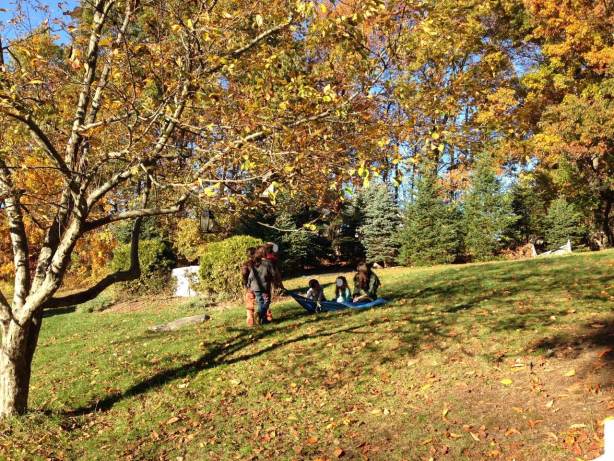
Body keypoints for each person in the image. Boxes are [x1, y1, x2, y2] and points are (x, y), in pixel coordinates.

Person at [247, 247, 275, 324]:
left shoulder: (255, 265)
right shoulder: (268, 263)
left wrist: (248, 285)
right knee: (266, 302)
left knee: (260, 302)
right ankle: (259, 313)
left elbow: (250, 276)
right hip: (265, 287)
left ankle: (263, 320)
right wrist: (274, 281)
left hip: (255, 287)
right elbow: (273, 274)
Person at [241, 247, 257, 327]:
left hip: (250, 287)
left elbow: (244, 273)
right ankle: (266, 316)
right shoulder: (260, 263)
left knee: (249, 303)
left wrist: (245, 283)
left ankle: (250, 317)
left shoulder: (246, 264)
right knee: (264, 302)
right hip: (261, 286)